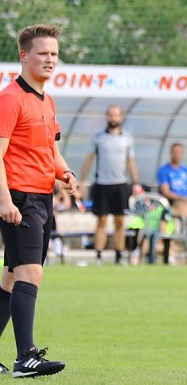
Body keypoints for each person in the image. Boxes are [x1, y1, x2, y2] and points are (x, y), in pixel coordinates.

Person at [0, 24, 76, 377]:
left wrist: (66, 174)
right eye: (43, 53)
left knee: (12, 279)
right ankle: (25, 357)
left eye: (54, 54)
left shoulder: (47, 101)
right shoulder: (10, 99)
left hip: (42, 198)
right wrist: (5, 201)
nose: (50, 60)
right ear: (24, 56)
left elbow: (51, 150)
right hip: (20, 198)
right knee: (31, 273)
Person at [78, 104, 144, 264]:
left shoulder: (127, 138)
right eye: (110, 115)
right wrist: (81, 181)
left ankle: (119, 255)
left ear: (121, 117)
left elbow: (131, 161)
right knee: (101, 220)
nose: (113, 118)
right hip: (102, 184)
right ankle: (99, 255)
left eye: (116, 115)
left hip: (120, 184)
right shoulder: (98, 137)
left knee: (120, 221)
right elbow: (89, 159)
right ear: (106, 117)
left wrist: (136, 182)